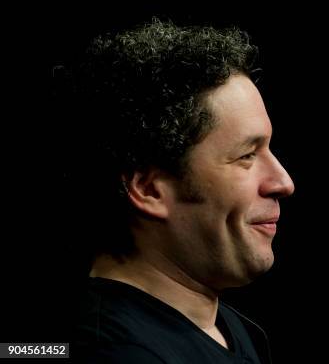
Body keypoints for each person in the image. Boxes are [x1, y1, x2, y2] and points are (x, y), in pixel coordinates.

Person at [65, 19, 295, 363]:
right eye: (246, 155)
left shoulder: (234, 331)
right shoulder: (116, 353)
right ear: (150, 189)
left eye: (269, 150)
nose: (284, 182)